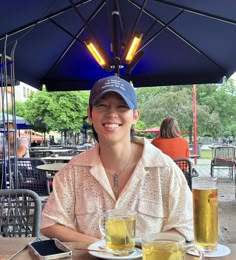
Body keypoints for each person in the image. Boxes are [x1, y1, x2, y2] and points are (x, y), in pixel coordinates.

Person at [40, 76, 193, 244]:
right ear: (90, 114)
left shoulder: (164, 169)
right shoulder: (73, 171)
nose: (112, 114)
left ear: (135, 115)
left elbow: (186, 225)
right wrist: (101, 247)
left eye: (122, 107)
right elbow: (50, 223)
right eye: (102, 106)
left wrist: (142, 250)